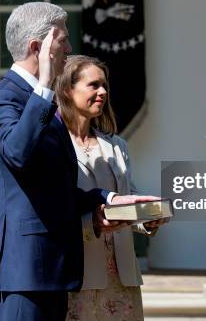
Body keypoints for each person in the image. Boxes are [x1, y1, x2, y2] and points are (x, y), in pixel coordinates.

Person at [0, 2, 156, 321]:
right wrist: (45, 84)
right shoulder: (6, 98)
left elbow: (57, 188)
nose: (70, 48)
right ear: (39, 47)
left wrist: (109, 198)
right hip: (26, 271)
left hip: (55, 269)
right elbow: (17, 154)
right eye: (63, 41)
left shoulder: (42, 104)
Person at [54, 55, 167, 321]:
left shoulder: (117, 145)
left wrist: (147, 218)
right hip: (79, 273)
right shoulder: (54, 145)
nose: (103, 92)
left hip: (122, 275)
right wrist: (90, 222)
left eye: (104, 85)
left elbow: (126, 199)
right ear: (68, 90)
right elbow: (55, 207)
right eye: (93, 85)